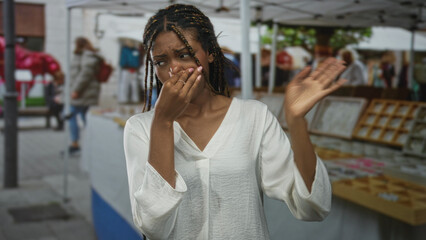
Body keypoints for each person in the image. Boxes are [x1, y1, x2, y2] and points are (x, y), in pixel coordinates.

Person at [123, 4, 347, 239]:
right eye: (160, 62)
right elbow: (150, 224)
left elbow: (311, 206)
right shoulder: (141, 129)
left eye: (184, 54)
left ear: (209, 52)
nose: (173, 69)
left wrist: (297, 120)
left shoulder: (253, 117)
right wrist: (163, 123)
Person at [69, 37, 101, 153]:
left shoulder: (87, 56)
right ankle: (91, 142)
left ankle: (75, 143)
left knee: (71, 115)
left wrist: (76, 90)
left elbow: (85, 74)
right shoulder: (85, 55)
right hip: (83, 92)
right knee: (84, 116)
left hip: (83, 93)